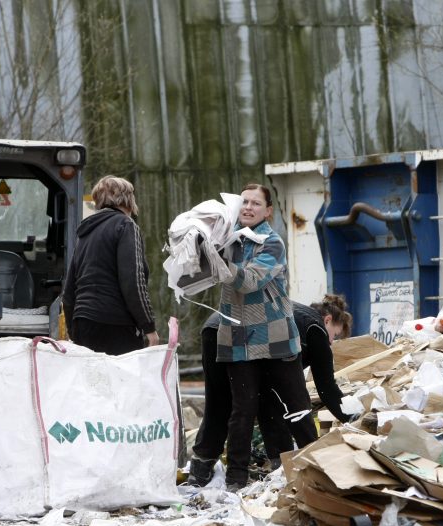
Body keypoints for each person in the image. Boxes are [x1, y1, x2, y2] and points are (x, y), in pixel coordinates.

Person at [190, 183, 311, 491]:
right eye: (244, 202)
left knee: (295, 405)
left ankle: (319, 466)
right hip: (238, 337)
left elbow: (249, 281)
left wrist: (220, 261)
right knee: (241, 411)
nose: (248, 207)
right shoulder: (228, 239)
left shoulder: (272, 243)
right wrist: (200, 249)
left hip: (276, 337)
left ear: (268, 211)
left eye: (256, 203)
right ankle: (235, 481)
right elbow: (200, 275)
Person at [190, 294, 353, 485]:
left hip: (216, 325)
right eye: (335, 335)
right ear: (328, 320)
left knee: (220, 403)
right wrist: (352, 418)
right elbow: (326, 388)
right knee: (268, 404)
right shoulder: (315, 329)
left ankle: (201, 468)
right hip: (239, 332)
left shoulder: (296, 315)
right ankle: (279, 464)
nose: (332, 342)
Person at [61, 175, 158, 354]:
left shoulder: (84, 233)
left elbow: (68, 292)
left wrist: (73, 330)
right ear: (128, 199)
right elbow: (133, 282)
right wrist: (149, 327)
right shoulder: (126, 225)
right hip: (116, 325)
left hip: (83, 324)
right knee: (122, 380)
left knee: (89, 381)